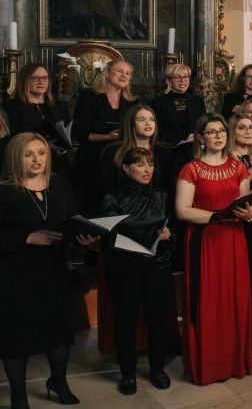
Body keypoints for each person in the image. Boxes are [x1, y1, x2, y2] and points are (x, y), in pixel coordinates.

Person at [0, 134, 95, 409]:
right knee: (16, 337)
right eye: (28, 154)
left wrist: (84, 238)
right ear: (14, 157)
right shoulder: (4, 190)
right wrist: (27, 238)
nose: (37, 159)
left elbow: (72, 220)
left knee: (58, 331)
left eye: (41, 153)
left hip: (54, 270)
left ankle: (58, 382)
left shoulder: (60, 184)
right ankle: (19, 396)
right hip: (15, 274)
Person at [175, 114, 252, 385]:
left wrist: (249, 215)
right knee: (207, 301)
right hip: (204, 240)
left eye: (222, 131)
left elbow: (245, 206)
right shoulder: (191, 169)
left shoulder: (238, 167)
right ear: (200, 137)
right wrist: (216, 217)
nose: (219, 136)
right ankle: (208, 363)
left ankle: (233, 361)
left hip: (233, 239)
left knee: (234, 299)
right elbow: (182, 210)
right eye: (212, 132)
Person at [100, 148, 174, 395]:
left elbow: (173, 225)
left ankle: (157, 370)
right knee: (126, 322)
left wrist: (169, 233)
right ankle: (128, 375)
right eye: (140, 165)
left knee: (157, 321)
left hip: (157, 266)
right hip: (124, 268)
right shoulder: (113, 197)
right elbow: (107, 236)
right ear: (126, 168)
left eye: (150, 164)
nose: (147, 169)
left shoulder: (163, 194)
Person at [72, 58, 138, 213]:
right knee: (91, 207)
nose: (124, 76)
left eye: (128, 73)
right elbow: (79, 133)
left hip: (120, 159)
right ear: (108, 73)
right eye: (120, 71)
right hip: (91, 160)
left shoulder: (133, 102)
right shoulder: (88, 97)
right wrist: (108, 137)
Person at [6, 63, 71, 171]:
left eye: (45, 78)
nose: (41, 82)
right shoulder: (12, 107)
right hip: (27, 162)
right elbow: (14, 138)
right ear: (25, 80)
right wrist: (44, 146)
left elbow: (67, 130)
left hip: (58, 161)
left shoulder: (57, 104)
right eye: (35, 78)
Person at [152, 63, 204, 148]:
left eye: (186, 76)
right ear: (169, 81)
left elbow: (203, 125)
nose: (182, 80)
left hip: (194, 149)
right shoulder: (158, 102)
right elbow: (157, 131)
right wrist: (177, 143)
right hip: (170, 150)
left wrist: (197, 136)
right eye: (177, 77)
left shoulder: (198, 100)